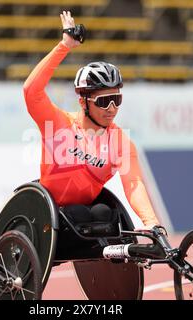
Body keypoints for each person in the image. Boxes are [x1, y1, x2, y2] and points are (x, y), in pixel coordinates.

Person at [23, 11, 163, 237]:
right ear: (83, 101)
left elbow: (134, 183)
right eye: (104, 101)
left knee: (104, 214)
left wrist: (151, 222)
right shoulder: (59, 124)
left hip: (88, 218)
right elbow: (31, 91)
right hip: (48, 214)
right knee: (80, 213)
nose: (112, 109)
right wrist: (64, 46)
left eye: (116, 99)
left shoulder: (121, 143)